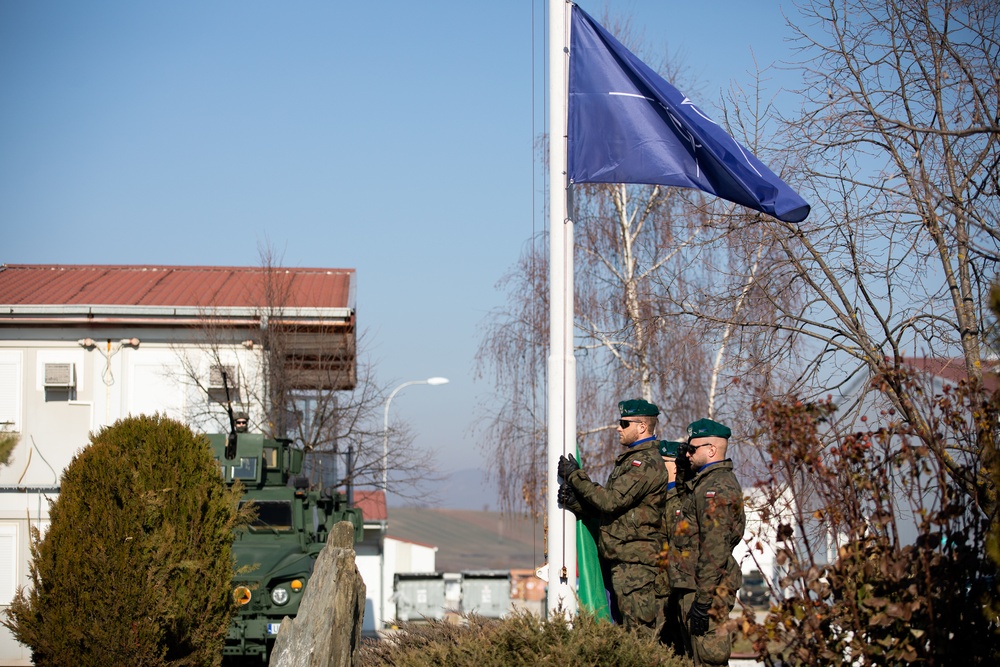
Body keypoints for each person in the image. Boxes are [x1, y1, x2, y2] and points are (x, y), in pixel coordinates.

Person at [557, 399, 669, 638]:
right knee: (623, 634)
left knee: (638, 638)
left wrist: (576, 477)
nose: (618, 428)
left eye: (624, 423)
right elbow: (616, 512)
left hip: (635, 566)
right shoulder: (632, 460)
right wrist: (582, 505)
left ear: (641, 426)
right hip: (623, 560)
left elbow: (610, 501)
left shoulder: (645, 463)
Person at [664, 418, 745, 666]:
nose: (688, 454)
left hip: (706, 590)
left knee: (708, 659)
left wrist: (703, 599)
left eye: (692, 449)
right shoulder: (703, 483)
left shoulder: (716, 487)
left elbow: (714, 549)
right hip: (694, 586)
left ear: (711, 450)